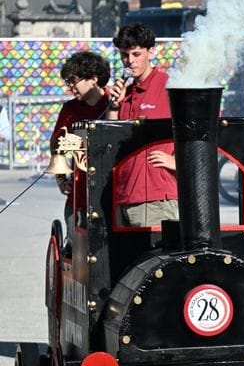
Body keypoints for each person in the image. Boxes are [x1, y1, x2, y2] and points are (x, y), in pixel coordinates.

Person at [106, 23, 178, 228]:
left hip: (155, 196)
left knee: (155, 257)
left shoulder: (169, 85)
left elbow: (202, 127)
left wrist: (178, 162)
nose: (130, 61)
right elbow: (111, 138)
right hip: (123, 194)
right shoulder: (125, 92)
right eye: (125, 56)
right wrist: (114, 106)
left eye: (136, 54)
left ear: (151, 52)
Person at [50, 51, 112, 236]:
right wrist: (61, 176)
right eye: (67, 82)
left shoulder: (115, 103)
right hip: (78, 198)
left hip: (111, 196)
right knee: (74, 245)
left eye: (73, 81)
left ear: (93, 79)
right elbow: (56, 144)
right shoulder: (69, 109)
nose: (70, 88)